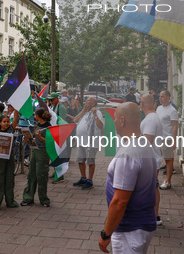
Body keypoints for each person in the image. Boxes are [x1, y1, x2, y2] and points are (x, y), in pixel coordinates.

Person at [98, 102, 158, 254]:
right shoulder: (144, 144)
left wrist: (106, 233)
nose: (114, 122)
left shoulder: (128, 154)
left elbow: (120, 201)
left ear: (122, 120)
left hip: (129, 229)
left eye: (115, 119)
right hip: (141, 224)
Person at [139, 94, 164, 226]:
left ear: (142, 104)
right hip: (153, 157)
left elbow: (147, 140)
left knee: (150, 188)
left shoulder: (150, 120)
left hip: (150, 159)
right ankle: (153, 216)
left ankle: (153, 216)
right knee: (152, 187)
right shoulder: (153, 117)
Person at [21, 108, 52, 207]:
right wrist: (29, 139)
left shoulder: (48, 127)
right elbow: (36, 139)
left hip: (43, 153)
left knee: (41, 175)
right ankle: (28, 197)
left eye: (35, 115)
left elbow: (50, 142)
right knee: (31, 174)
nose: (34, 117)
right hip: (35, 150)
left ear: (38, 116)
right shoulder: (38, 125)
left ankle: (44, 199)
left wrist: (40, 138)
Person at [0, 112, 20, 211]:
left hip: (10, 156)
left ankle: (10, 201)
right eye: (4, 122)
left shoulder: (11, 129)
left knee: (10, 178)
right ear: (0, 122)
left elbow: (16, 117)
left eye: (7, 121)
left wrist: (16, 105)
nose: (6, 123)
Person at [72, 97, 103, 190]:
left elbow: (100, 125)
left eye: (89, 100)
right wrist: (83, 111)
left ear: (93, 103)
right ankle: (83, 177)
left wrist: (94, 114)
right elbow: (75, 120)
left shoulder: (98, 112)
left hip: (91, 142)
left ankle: (90, 180)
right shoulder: (84, 112)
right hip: (81, 141)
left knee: (90, 161)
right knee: (80, 160)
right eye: (87, 100)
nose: (87, 102)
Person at [156, 90, 179, 189]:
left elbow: (175, 126)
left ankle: (167, 181)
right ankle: (154, 180)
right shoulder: (158, 108)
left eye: (163, 96)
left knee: (168, 160)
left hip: (167, 138)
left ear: (168, 97)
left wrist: (174, 140)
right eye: (160, 96)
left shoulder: (172, 110)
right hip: (158, 138)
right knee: (156, 159)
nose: (160, 98)